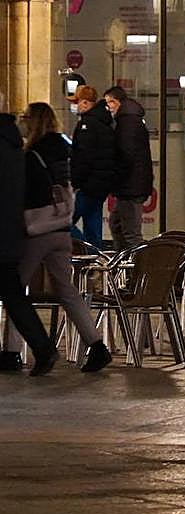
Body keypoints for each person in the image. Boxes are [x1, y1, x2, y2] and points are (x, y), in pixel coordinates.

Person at [0, 103, 111, 373]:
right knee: (67, 290)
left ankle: (13, 351)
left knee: (16, 291)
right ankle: (97, 345)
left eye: (26, 118)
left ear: (34, 122)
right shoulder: (64, 149)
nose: (23, 123)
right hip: (62, 228)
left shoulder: (31, 155)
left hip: (37, 230)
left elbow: (24, 192)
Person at [0, 95, 57, 375]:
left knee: (13, 295)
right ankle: (42, 347)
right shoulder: (13, 145)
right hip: (11, 231)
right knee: (13, 295)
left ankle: (40, 348)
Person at [104, 86, 153, 251]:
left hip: (129, 186)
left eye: (109, 102)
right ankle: (124, 264)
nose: (108, 107)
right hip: (133, 184)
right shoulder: (131, 119)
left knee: (131, 233)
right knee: (117, 224)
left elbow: (126, 154)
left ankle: (138, 270)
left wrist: (116, 178)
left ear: (116, 102)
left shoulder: (126, 122)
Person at [68, 85, 116, 249]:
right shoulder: (105, 123)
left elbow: (83, 158)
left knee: (62, 224)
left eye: (78, 102)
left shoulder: (86, 126)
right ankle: (95, 262)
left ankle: (87, 250)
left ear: (86, 103)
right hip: (101, 185)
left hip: (88, 184)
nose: (75, 106)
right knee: (92, 225)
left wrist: (75, 182)